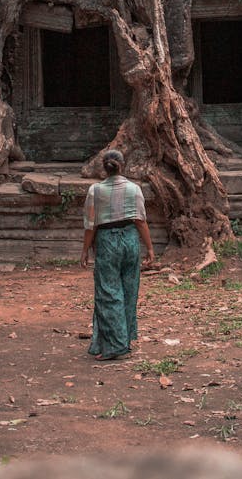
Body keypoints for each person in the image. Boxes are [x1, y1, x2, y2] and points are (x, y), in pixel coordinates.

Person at [80, 149, 155, 361]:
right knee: (129, 290)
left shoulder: (96, 190)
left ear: (104, 167)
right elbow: (141, 221)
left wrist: (85, 250)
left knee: (108, 292)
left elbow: (90, 226)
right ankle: (125, 339)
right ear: (123, 165)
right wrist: (149, 248)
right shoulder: (134, 189)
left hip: (107, 242)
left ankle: (114, 346)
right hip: (130, 240)